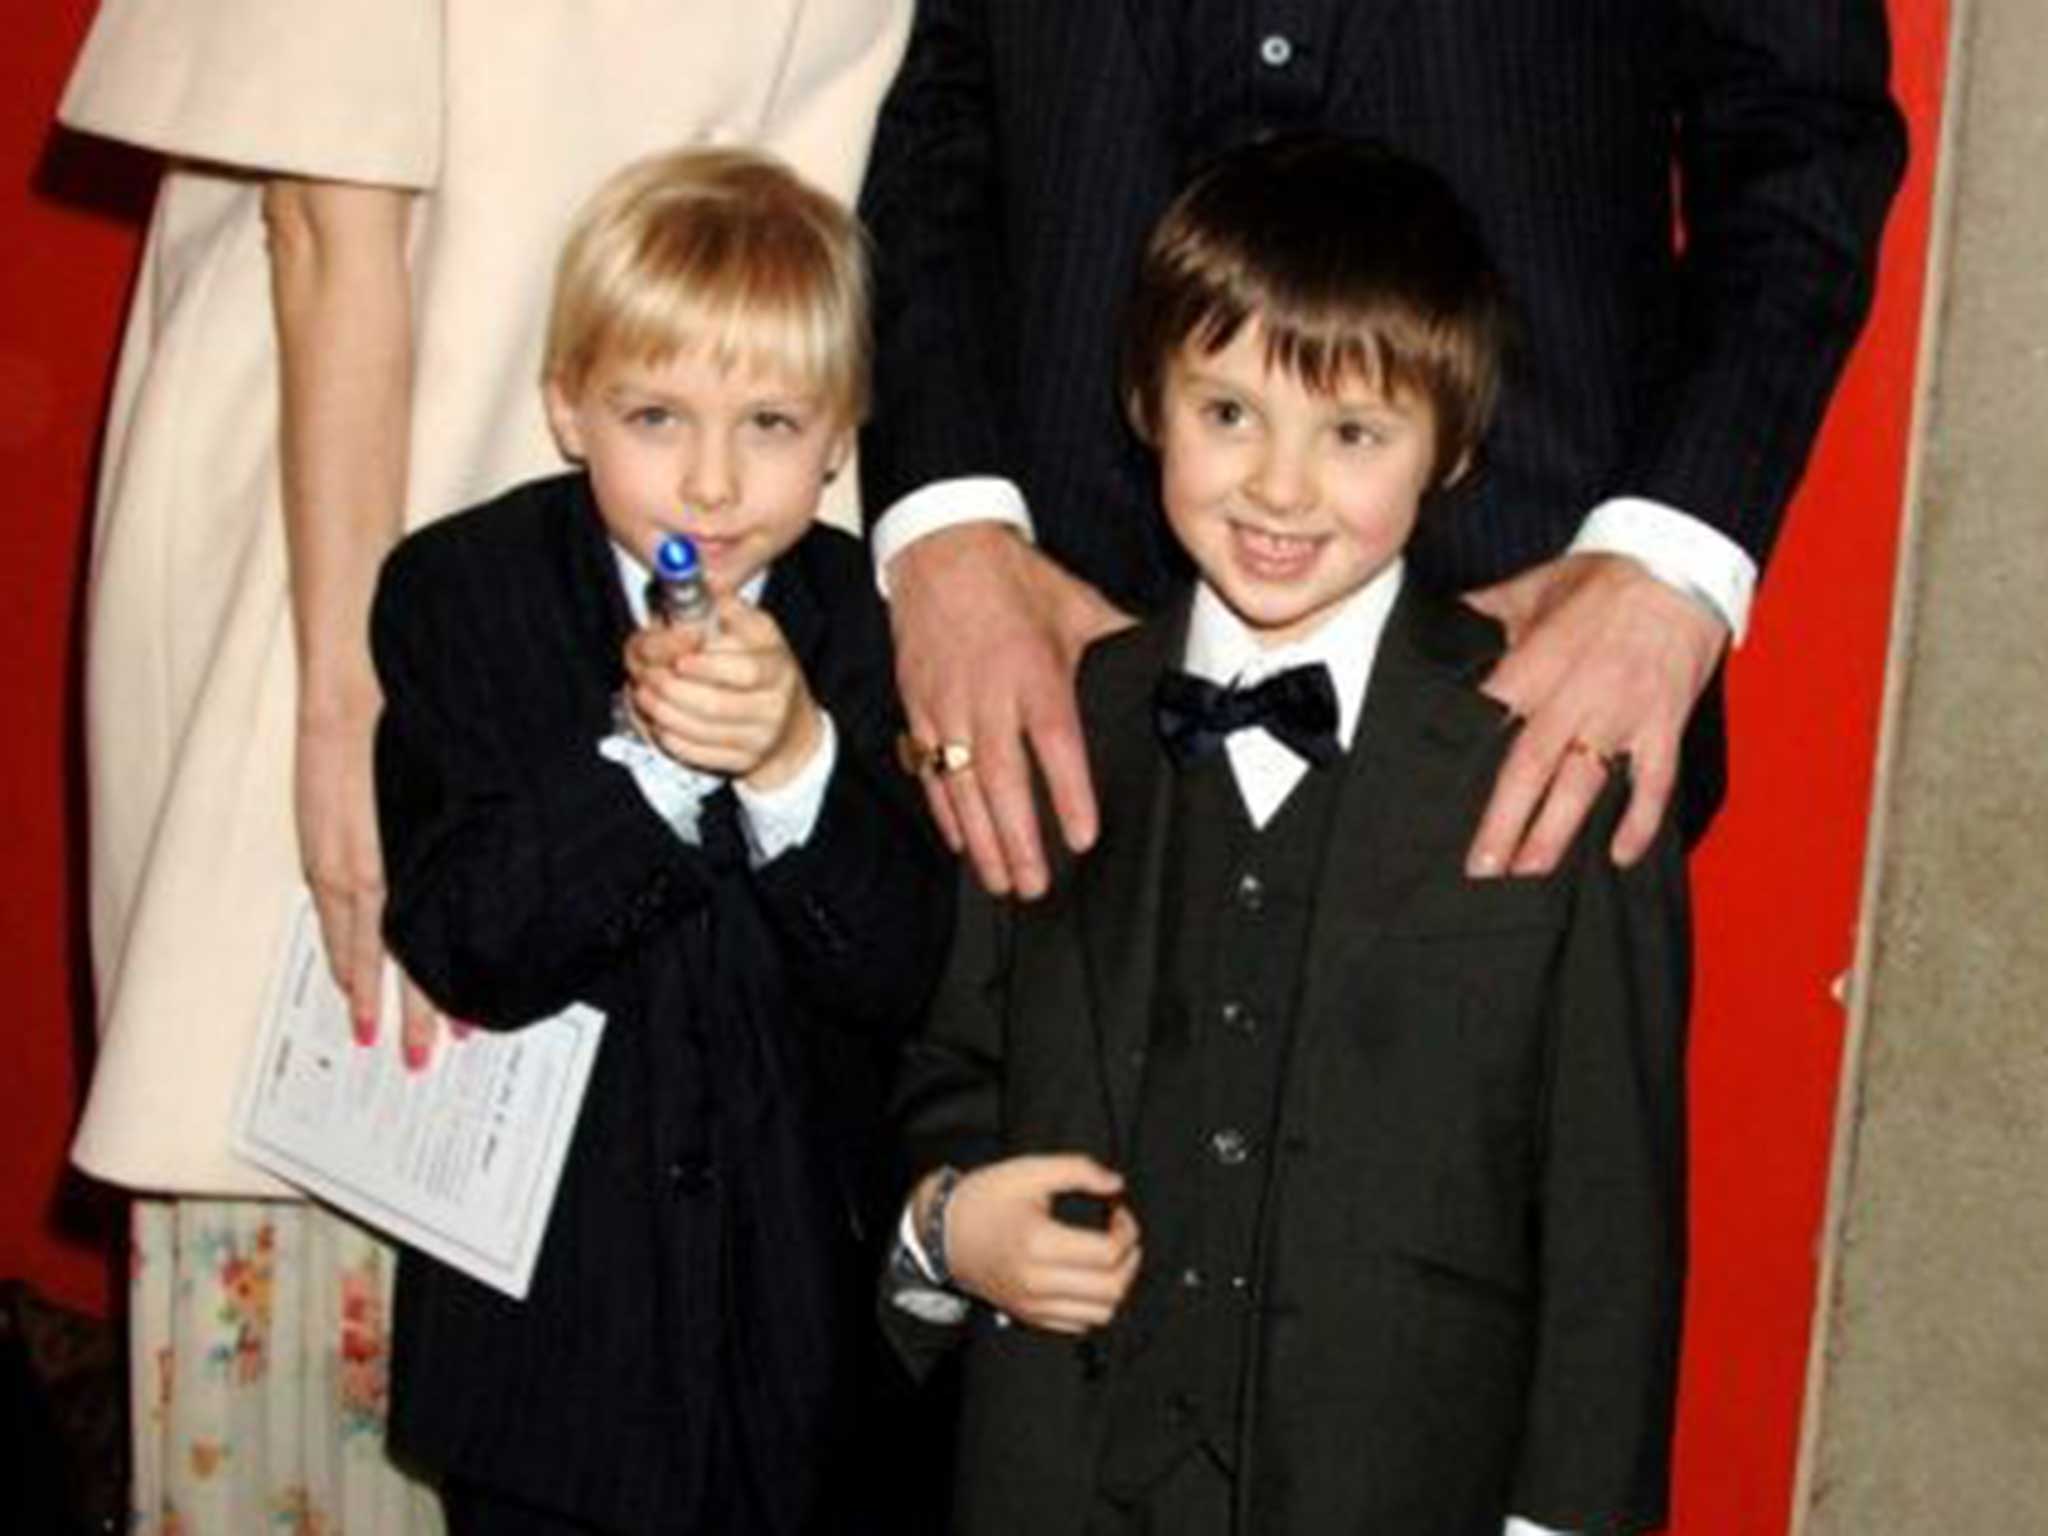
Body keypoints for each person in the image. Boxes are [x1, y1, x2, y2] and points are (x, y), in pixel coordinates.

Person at [56, 2, 911, 1530]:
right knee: (330, 1200)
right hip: (350, 539)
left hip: (727, 555)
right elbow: (324, 223)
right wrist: (341, 702)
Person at [883, 136, 1689, 1535]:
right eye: (1228, 412)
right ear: (1148, 402)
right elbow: (946, 1064)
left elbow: (1611, 1227)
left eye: (1352, 434)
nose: (1278, 487)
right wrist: (951, 1227)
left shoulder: (1555, 757)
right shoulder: (1055, 715)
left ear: (1452, 448)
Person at [857, 0, 1906, 900]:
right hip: (1042, 668)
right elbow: (942, 102)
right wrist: (944, 527)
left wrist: (1668, 569)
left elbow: (1803, 138)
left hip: (1535, 688)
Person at [372, 147, 951, 1535]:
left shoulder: (877, 630)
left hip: (808, 1361)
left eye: (770, 423)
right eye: (654, 416)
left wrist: (794, 760)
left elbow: (909, 970)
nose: (711, 480)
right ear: (567, 406)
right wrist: (647, 766)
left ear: (841, 436)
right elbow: (463, 941)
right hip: (547, 1358)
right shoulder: (462, 592)